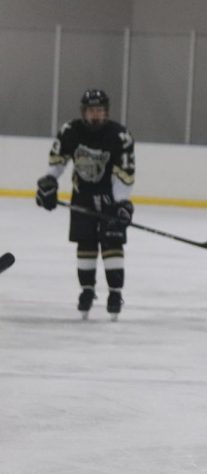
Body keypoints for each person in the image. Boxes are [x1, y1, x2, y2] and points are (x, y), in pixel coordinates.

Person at [35, 89, 135, 320]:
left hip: (110, 196)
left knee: (112, 242)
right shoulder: (70, 131)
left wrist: (122, 203)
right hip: (82, 195)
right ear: (83, 112)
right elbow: (58, 162)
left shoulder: (120, 136)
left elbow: (125, 174)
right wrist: (49, 182)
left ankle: (114, 293)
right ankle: (87, 291)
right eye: (92, 110)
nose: (96, 115)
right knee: (86, 242)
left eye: (100, 110)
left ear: (107, 112)